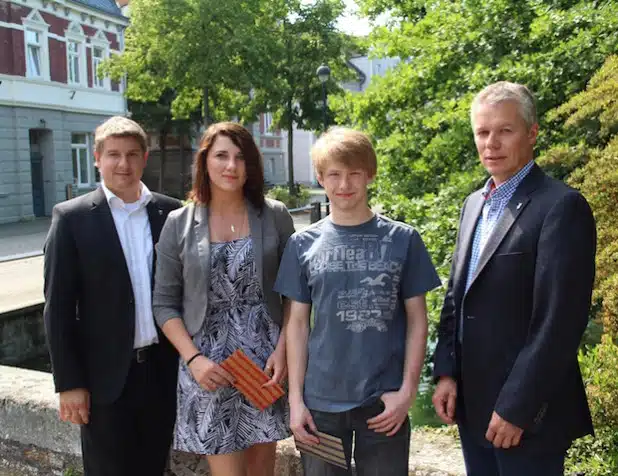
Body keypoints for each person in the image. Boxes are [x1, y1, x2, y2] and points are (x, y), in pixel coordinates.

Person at [431, 81, 596, 475]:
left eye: (505, 131)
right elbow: (457, 296)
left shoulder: (561, 207)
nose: (491, 143)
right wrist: (446, 372)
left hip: (527, 415)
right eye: (483, 132)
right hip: (472, 407)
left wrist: (517, 408)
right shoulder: (474, 204)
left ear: (532, 132)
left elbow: (558, 323)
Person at [274, 127, 441, 475]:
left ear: (370, 174)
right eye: (334, 174)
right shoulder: (303, 244)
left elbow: (417, 321)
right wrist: (295, 402)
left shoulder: (403, 240)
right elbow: (298, 325)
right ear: (321, 178)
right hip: (320, 407)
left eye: (354, 173)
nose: (344, 184)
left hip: (383, 404)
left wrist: (408, 392)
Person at [152, 122, 295, 476]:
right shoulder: (178, 223)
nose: (231, 166)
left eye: (240, 158)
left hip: (265, 362)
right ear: (205, 162)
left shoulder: (274, 215)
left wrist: (284, 350)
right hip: (209, 366)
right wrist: (194, 359)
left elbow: (295, 292)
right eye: (221, 156)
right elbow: (164, 302)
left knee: (262, 472)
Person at [43, 116, 182, 475]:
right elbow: (58, 308)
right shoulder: (72, 218)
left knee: (155, 467)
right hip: (105, 378)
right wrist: (70, 383)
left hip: (162, 372)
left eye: (133, 154)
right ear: (97, 158)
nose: (124, 164)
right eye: (114, 155)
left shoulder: (171, 213)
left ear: (145, 158)